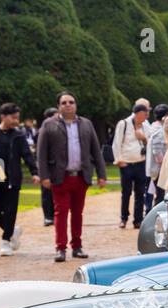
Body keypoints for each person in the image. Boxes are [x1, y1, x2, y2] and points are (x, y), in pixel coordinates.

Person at [36, 90, 106, 262]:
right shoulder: (49, 124)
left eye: (71, 102)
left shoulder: (86, 124)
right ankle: (60, 248)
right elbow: (41, 152)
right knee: (61, 213)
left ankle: (77, 246)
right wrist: (44, 175)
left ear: (76, 105)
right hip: (60, 177)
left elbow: (96, 151)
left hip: (81, 176)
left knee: (77, 213)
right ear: (58, 106)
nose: (68, 105)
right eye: (64, 102)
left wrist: (101, 174)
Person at [0, 103, 39, 256]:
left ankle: (6, 240)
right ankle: (12, 230)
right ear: (3, 117)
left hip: (13, 176)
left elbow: (27, 154)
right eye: (13, 117)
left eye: (17, 118)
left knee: (10, 210)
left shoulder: (18, 135)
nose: (16, 121)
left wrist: (34, 172)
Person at [112, 101, 148, 229]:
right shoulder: (124, 124)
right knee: (126, 192)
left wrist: (143, 137)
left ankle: (138, 220)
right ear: (137, 114)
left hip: (141, 163)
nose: (146, 117)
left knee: (140, 193)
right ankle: (124, 218)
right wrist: (119, 160)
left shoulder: (145, 126)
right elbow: (117, 142)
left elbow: (150, 142)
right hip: (126, 163)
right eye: (145, 114)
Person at [144, 103, 168, 211]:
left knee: (157, 195)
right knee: (160, 197)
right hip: (159, 169)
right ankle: (155, 220)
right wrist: (165, 164)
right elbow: (157, 152)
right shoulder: (160, 130)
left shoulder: (153, 127)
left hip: (154, 169)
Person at [38, 107, 57, 226]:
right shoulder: (44, 130)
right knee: (46, 192)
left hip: (57, 166)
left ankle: (56, 215)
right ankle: (48, 216)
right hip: (46, 165)